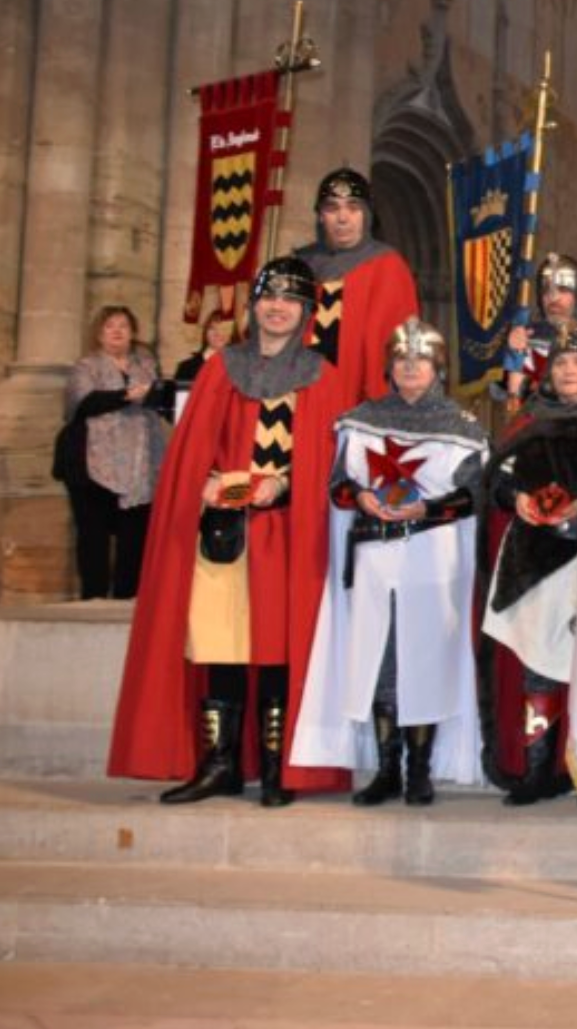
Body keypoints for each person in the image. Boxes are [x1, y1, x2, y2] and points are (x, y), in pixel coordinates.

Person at [108, 256, 352, 806]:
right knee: (220, 644)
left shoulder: (322, 375)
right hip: (222, 532)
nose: (277, 307)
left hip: (287, 531)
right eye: (269, 297)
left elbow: (330, 463)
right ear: (254, 305)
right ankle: (218, 765)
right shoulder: (221, 369)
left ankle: (274, 769)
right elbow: (191, 449)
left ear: (306, 311)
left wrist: (285, 484)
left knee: (276, 647)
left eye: (290, 300)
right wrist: (205, 481)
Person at [294, 318, 488, 807]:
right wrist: (360, 497)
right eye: (402, 361)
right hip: (376, 557)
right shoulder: (360, 421)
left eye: (420, 361)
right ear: (390, 367)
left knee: (422, 662)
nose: (410, 369)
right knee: (381, 663)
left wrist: (426, 508)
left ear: (437, 368)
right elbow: (337, 485)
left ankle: (418, 772)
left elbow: (473, 497)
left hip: (431, 558)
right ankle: (387, 769)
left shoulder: (461, 428)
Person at [482, 325, 577, 804]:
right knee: (539, 667)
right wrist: (518, 500)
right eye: (561, 363)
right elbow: (497, 478)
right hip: (533, 556)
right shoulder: (527, 419)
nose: (569, 371)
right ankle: (538, 770)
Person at [60, 305, 168, 600]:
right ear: (99, 333)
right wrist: (125, 395)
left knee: (134, 535)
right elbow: (80, 404)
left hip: (140, 463)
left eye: (124, 326)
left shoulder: (146, 364)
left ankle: (127, 597)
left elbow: (161, 402)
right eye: (110, 326)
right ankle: (93, 596)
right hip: (90, 464)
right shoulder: (87, 365)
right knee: (92, 535)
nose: (118, 331)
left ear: (133, 333)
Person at [296, 167, 421, 406]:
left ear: (367, 215)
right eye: (332, 208)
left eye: (353, 208)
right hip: (300, 401)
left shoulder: (388, 267)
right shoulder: (300, 266)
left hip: (358, 403)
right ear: (321, 215)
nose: (343, 218)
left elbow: (398, 347)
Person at [498, 253, 577, 406]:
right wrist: (510, 358)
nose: (553, 298)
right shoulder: (525, 338)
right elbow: (503, 396)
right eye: (546, 290)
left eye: (563, 289)